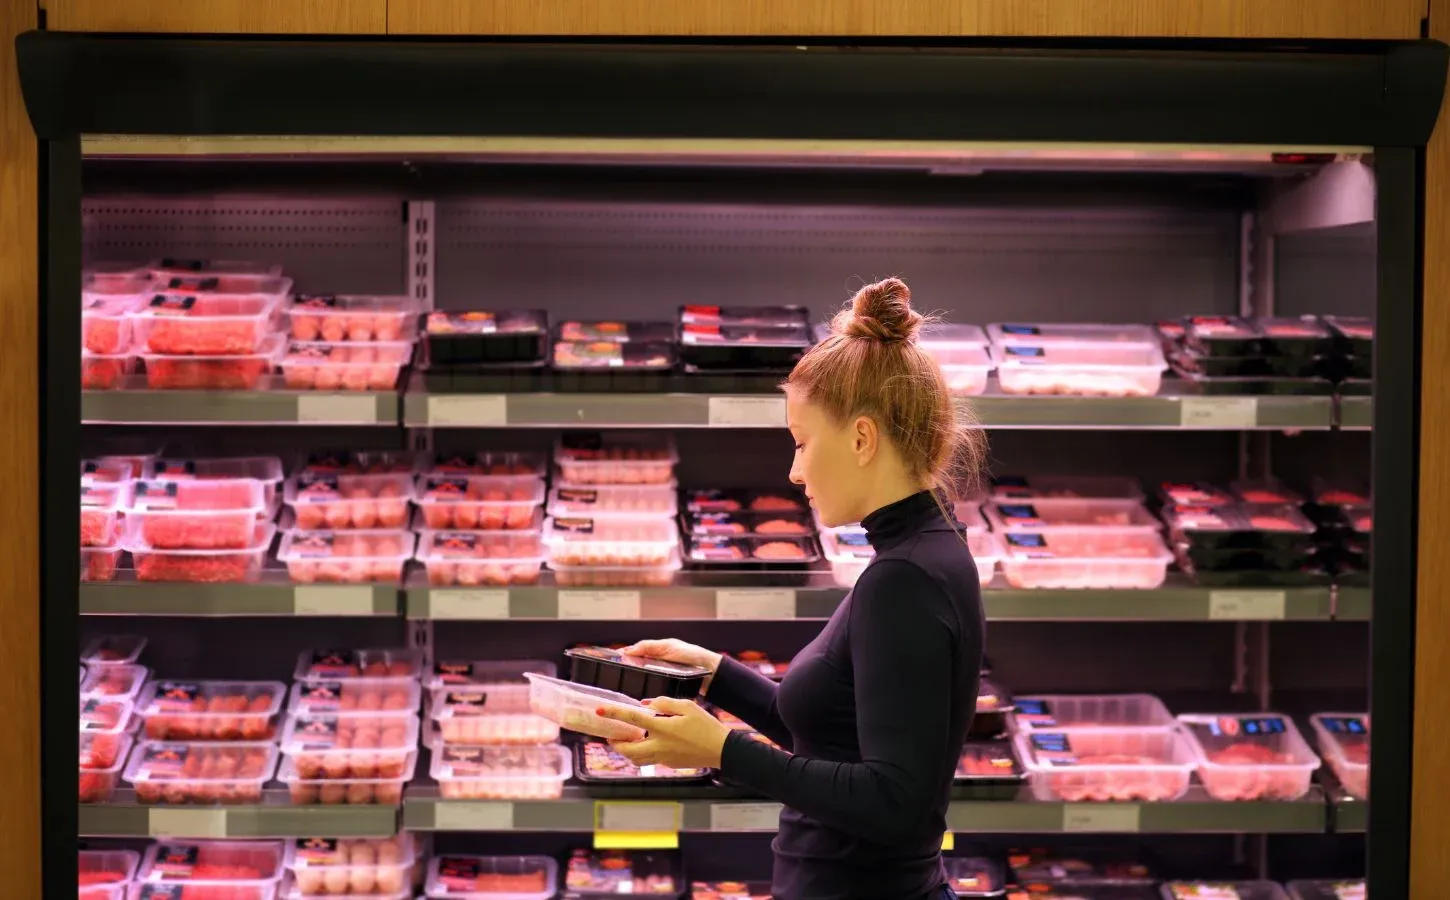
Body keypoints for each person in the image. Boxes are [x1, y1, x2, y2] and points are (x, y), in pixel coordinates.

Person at [595, 277, 989, 900]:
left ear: (862, 439)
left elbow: (896, 803)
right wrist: (714, 673)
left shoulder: (905, 579)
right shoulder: (925, 552)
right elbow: (829, 735)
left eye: (803, 443)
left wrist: (725, 751)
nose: (794, 470)